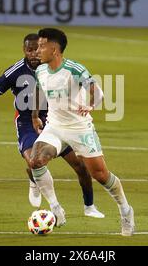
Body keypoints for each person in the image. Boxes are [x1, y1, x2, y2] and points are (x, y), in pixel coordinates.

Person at [0, 33, 104, 218]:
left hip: (56, 121)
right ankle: (50, 201)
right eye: (29, 50)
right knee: (34, 162)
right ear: (24, 50)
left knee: (80, 166)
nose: (34, 54)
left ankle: (89, 206)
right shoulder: (16, 71)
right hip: (26, 123)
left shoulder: (52, 69)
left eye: (37, 49)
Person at [30, 28, 134, 236]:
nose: (37, 50)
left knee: (100, 174)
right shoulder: (40, 70)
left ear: (55, 49)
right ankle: (56, 208)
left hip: (80, 129)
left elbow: (99, 93)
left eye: (41, 46)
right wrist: (35, 115)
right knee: (36, 161)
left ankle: (125, 209)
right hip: (55, 126)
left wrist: (91, 106)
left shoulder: (74, 69)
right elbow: (39, 90)